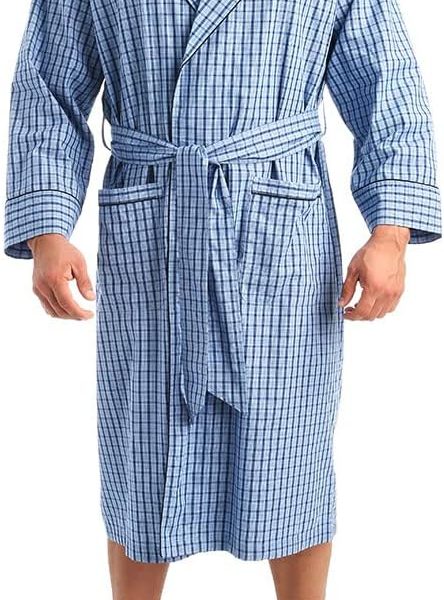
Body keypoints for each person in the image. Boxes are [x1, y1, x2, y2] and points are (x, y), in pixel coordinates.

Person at [3, 0, 441, 598]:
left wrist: (391, 233)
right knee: (143, 451)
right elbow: (48, 91)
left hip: (280, 232)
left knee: (289, 452)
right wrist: (47, 230)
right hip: (153, 222)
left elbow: (388, 88)